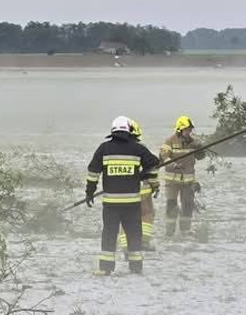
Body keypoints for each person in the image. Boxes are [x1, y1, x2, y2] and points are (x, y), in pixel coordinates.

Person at [85, 116, 161, 275]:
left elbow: (93, 172)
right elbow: (154, 163)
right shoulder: (137, 149)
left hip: (111, 204)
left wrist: (89, 192)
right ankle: (136, 267)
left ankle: (105, 268)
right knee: (134, 234)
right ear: (129, 130)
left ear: (113, 130)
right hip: (132, 203)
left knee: (109, 234)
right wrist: (144, 175)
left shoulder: (104, 148)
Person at [160, 115, 207, 237]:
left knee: (187, 206)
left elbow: (200, 157)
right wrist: (174, 165)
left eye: (190, 129)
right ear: (179, 129)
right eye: (186, 129)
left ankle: (185, 231)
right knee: (171, 205)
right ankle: (169, 232)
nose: (189, 131)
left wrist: (201, 149)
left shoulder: (193, 142)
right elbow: (163, 158)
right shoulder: (169, 141)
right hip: (172, 181)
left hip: (188, 181)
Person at [118, 119, 159, 255]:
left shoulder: (114, 149)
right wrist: (154, 184)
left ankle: (126, 247)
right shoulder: (140, 148)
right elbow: (152, 166)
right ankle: (143, 243)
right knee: (147, 213)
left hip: (119, 191)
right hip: (140, 189)